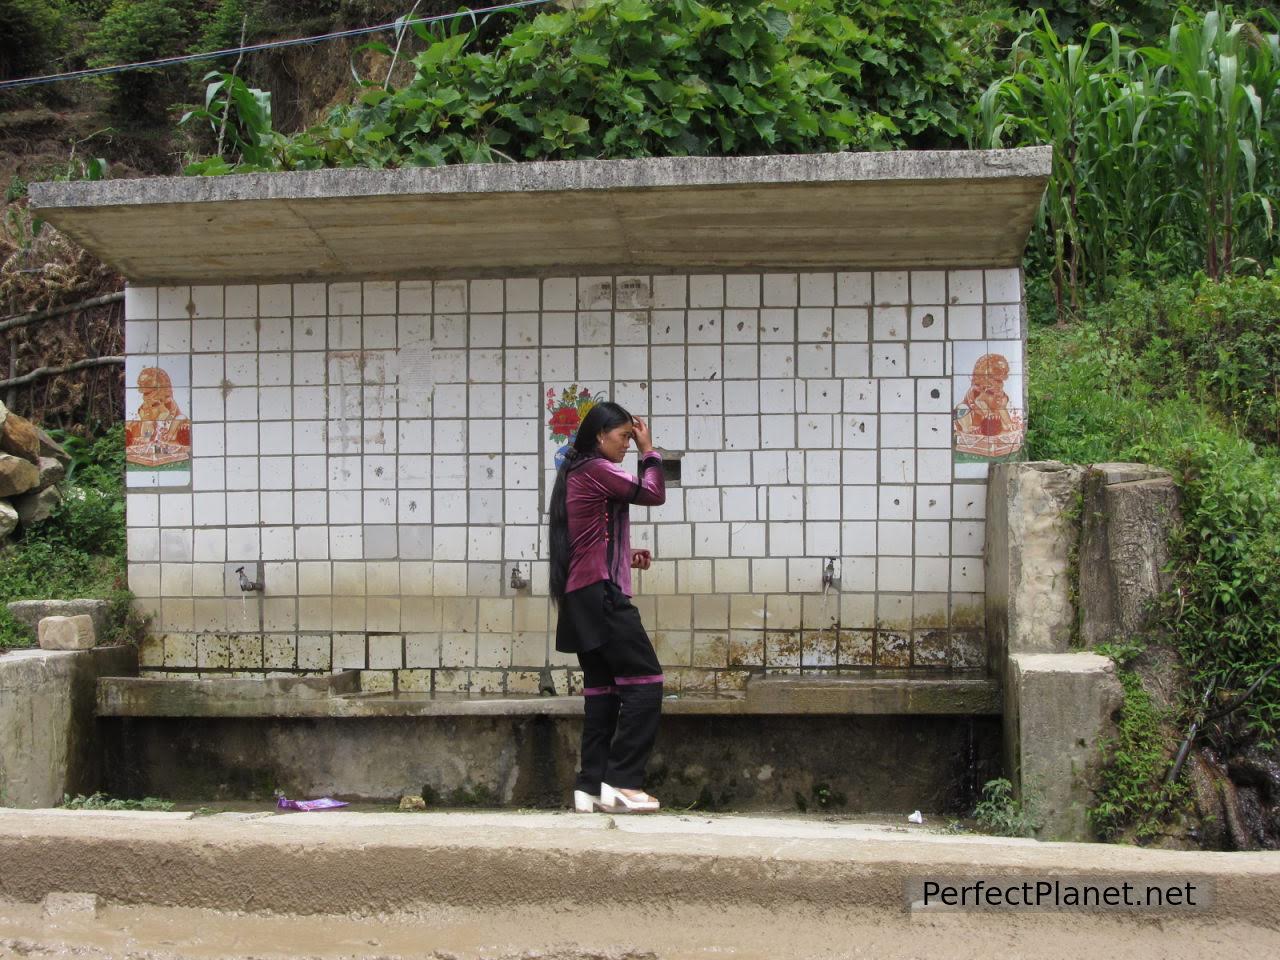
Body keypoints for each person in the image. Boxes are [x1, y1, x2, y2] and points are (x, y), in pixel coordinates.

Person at [548, 401, 666, 814]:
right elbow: (653, 492)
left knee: (603, 693)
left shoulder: (577, 472)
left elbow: (588, 539)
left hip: (580, 595)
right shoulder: (597, 469)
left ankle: (590, 785)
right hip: (601, 595)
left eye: (631, 440)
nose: (626, 446)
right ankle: (623, 782)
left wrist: (623, 554)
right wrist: (650, 450)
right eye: (623, 438)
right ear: (599, 436)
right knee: (647, 684)